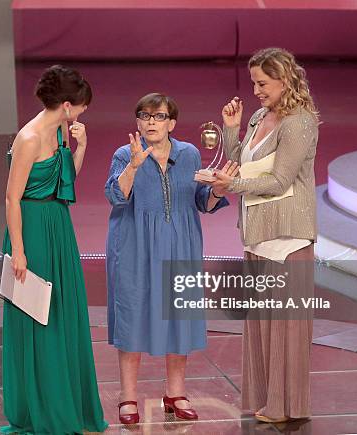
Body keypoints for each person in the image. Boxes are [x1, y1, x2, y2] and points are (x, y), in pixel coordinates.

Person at [105, 93, 237, 424]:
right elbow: (116, 196)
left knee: (179, 316)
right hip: (135, 244)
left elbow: (203, 204)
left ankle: (175, 393)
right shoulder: (125, 154)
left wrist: (219, 189)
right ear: (137, 122)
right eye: (145, 116)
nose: (151, 122)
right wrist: (134, 166)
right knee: (133, 314)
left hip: (181, 244)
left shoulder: (190, 154)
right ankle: (128, 397)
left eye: (159, 116)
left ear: (172, 123)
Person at [210, 47, 320, 423]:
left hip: (288, 237)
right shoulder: (260, 116)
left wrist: (234, 184)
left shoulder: (300, 121)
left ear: (284, 79)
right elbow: (243, 161)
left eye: (263, 83)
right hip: (258, 234)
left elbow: (279, 180)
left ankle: (288, 406)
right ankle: (267, 399)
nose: (256, 89)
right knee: (262, 330)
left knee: (286, 331)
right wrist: (230, 130)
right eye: (254, 82)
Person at [1, 65, 108, 434]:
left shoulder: (61, 131)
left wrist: (81, 146)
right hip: (31, 232)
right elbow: (12, 198)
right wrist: (19, 251)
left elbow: (65, 180)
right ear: (65, 105)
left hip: (58, 227)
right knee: (38, 317)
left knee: (63, 314)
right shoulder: (29, 138)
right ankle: (41, 409)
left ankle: (65, 404)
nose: (81, 113)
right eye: (79, 107)